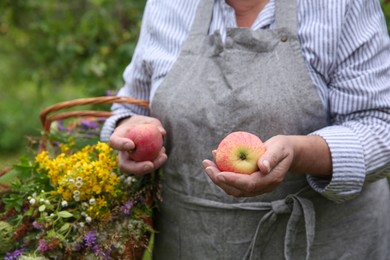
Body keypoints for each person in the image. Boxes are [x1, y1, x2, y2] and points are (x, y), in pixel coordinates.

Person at [101, 0, 390, 259]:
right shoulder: (167, 5)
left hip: (321, 245)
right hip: (192, 244)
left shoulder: (342, 6)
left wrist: (299, 153)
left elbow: (380, 127)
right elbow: (132, 105)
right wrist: (129, 129)